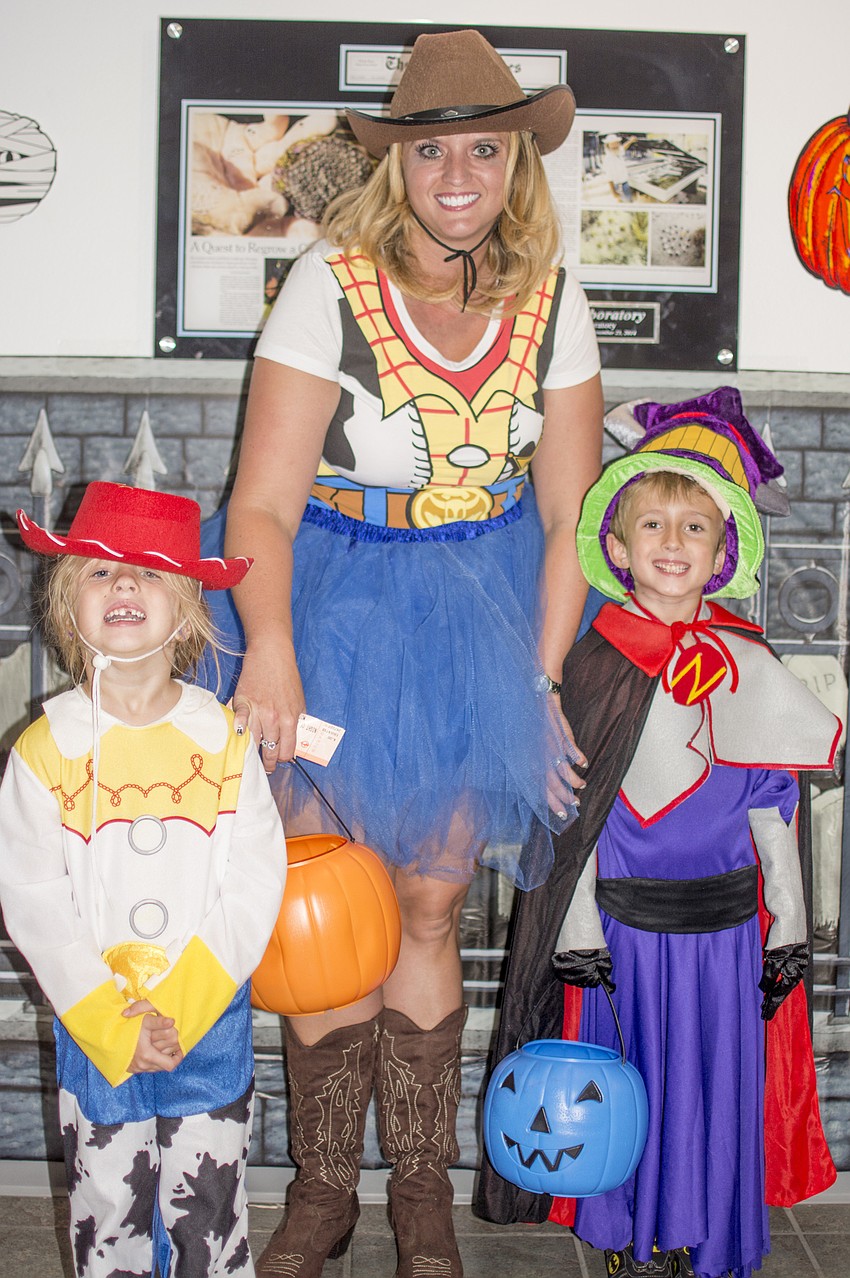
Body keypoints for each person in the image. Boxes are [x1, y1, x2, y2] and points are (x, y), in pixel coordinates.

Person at [219, 27, 603, 1278]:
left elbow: (567, 521)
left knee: (432, 901)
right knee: (329, 898)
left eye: (481, 149)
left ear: (514, 163)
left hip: (482, 612)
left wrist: (535, 683)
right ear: (399, 162)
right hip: (331, 601)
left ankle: (422, 1195)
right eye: (431, 149)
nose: (455, 173)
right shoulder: (329, 281)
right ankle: (325, 1190)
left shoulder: (555, 300)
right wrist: (268, 650)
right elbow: (261, 506)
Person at [476, 388, 841, 1278]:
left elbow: (771, 808)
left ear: (722, 556)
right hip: (623, 938)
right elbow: (574, 816)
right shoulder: (589, 662)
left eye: (695, 529)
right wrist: (579, 935)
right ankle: (632, 1240)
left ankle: (700, 1235)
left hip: (725, 939)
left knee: (711, 1093)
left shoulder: (751, 663)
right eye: (653, 525)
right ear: (616, 544)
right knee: (627, 1090)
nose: (672, 545)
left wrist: (787, 929)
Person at [0, 482, 288, 1278]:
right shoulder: (44, 750)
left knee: (209, 1207)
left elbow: (257, 880)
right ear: (68, 605)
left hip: (208, 1013)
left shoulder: (226, 743)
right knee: (108, 1208)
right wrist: (109, 1017)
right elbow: (33, 899)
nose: (123, 585)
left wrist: (186, 1007)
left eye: (150, 571)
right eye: (98, 572)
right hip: (99, 1019)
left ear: (189, 606)